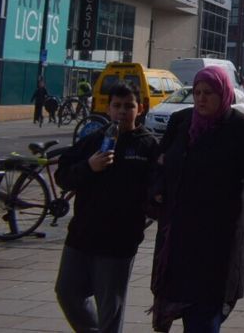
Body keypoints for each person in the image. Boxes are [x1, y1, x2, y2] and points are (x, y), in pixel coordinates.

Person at [149, 67, 244, 332]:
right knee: (185, 307)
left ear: (223, 93)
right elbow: (160, 162)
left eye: (208, 93)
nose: (201, 99)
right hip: (179, 238)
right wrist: (157, 188)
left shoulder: (241, 128)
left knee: (205, 315)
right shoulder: (182, 122)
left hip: (216, 241)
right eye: (197, 92)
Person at [53, 84, 159, 333]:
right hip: (81, 235)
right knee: (67, 293)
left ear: (140, 109)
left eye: (129, 106)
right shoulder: (93, 140)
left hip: (118, 242)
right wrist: (88, 167)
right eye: (117, 106)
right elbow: (63, 176)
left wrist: (148, 210)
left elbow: (157, 189)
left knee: (110, 307)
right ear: (108, 108)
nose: (122, 111)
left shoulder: (148, 146)